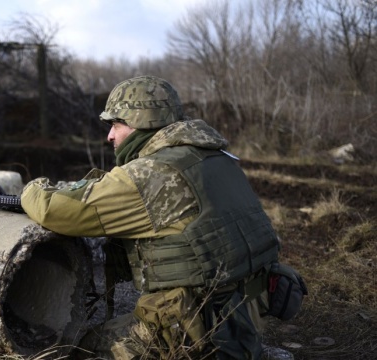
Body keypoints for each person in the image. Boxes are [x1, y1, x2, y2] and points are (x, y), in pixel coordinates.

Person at [20, 75, 280, 359]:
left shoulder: (152, 173)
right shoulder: (217, 158)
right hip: (247, 314)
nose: (109, 136)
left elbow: (54, 210)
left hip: (201, 329)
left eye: (115, 125)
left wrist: (31, 188)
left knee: (82, 347)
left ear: (140, 123)